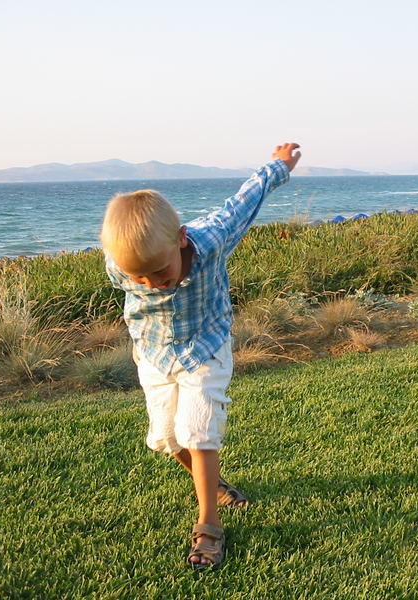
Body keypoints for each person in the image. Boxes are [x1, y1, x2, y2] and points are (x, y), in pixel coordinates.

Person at [100, 143, 301, 570]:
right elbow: (135, 268)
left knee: (198, 430)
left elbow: (244, 202)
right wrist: (136, 273)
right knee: (166, 438)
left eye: (160, 271)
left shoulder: (211, 238)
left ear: (181, 238)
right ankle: (211, 482)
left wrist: (278, 166)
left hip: (206, 346)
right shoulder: (119, 264)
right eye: (139, 277)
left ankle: (208, 521)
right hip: (153, 353)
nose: (153, 283)